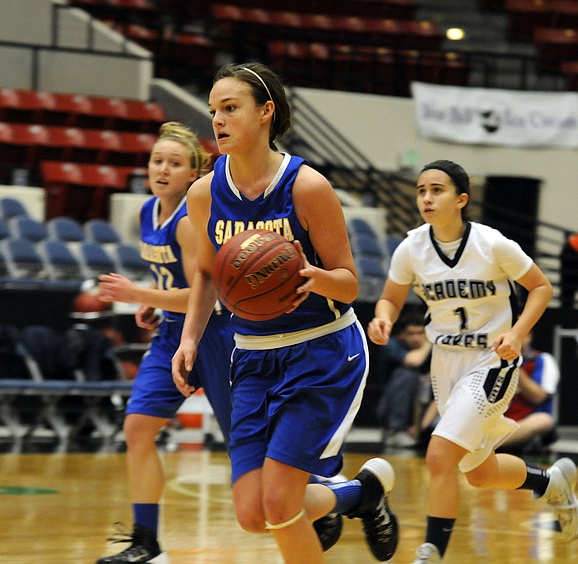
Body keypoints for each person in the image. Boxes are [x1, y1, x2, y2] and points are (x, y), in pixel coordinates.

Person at [170, 62, 398, 564]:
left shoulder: (307, 187)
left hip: (321, 353)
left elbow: (350, 281)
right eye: (213, 110)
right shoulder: (203, 193)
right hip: (252, 356)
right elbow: (206, 274)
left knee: (279, 502)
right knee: (253, 514)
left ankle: (344, 498)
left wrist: (314, 277)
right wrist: (189, 340)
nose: (218, 120)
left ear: (265, 112)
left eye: (230, 108)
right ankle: (361, 495)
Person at [366, 159, 578, 563]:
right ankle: (551, 482)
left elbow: (541, 287)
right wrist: (383, 318)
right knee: (479, 473)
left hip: (492, 360)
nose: (426, 198)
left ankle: (432, 551)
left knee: (439, 454)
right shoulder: (411, 248)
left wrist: (516, 334)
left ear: (461, 199)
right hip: (445, 362)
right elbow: (391, 298)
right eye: (421, 191)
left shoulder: (492, 244)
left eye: (437, 190)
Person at [94, 122, 234, 563]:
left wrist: (139, 294)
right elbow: (170, 282)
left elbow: (203, 295)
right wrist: (152, 304)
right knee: (137, 428)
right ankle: (146, 543)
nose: (163, 169)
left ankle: (336, 496)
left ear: (193, 173)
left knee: (246, 448)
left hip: (215, 335)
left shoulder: (189, 222)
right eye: (158, 160)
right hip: (171, 334)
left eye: (175, 163)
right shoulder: (146, 212)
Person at [374, 314, 432, 448]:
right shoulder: (392, 345)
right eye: (411, 334)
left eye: (420, 333)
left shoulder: (436, 350)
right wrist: (429, 342)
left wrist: (421, 427)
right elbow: (414, 361)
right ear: (403, 334)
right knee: (406, 374)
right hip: (390, 405)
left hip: (426, 407)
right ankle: (395, 431)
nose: (416, 338)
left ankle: (427, 431)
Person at [499, 332, 560, 455]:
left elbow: (538, 397)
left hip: (523, 422)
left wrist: (515, 366)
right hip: (497, 419)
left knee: (543, 421)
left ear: (529, 337)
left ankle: (489, 445)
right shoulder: (491, 360)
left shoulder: (542, 359)